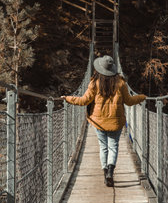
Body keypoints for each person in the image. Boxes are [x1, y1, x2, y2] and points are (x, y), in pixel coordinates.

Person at [61, 55, 146, 187]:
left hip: (99, 122)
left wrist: (67, 98)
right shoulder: (121, 83)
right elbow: (129, 102)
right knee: (113, 146)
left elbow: (83, 101)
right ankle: (110, 172)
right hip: (116, 122)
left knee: (103, 147)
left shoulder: (94, 83)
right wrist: (142, 97)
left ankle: (105, 172)